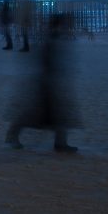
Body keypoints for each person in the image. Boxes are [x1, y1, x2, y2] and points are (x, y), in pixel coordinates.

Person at [5, 13, 80, 153]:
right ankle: (58, 143)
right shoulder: (52, 39)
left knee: (49, 113)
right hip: (47, 84)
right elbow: (47, 61)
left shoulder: (52, 38)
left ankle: (59, 142)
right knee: (44, 113)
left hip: (47, 82)